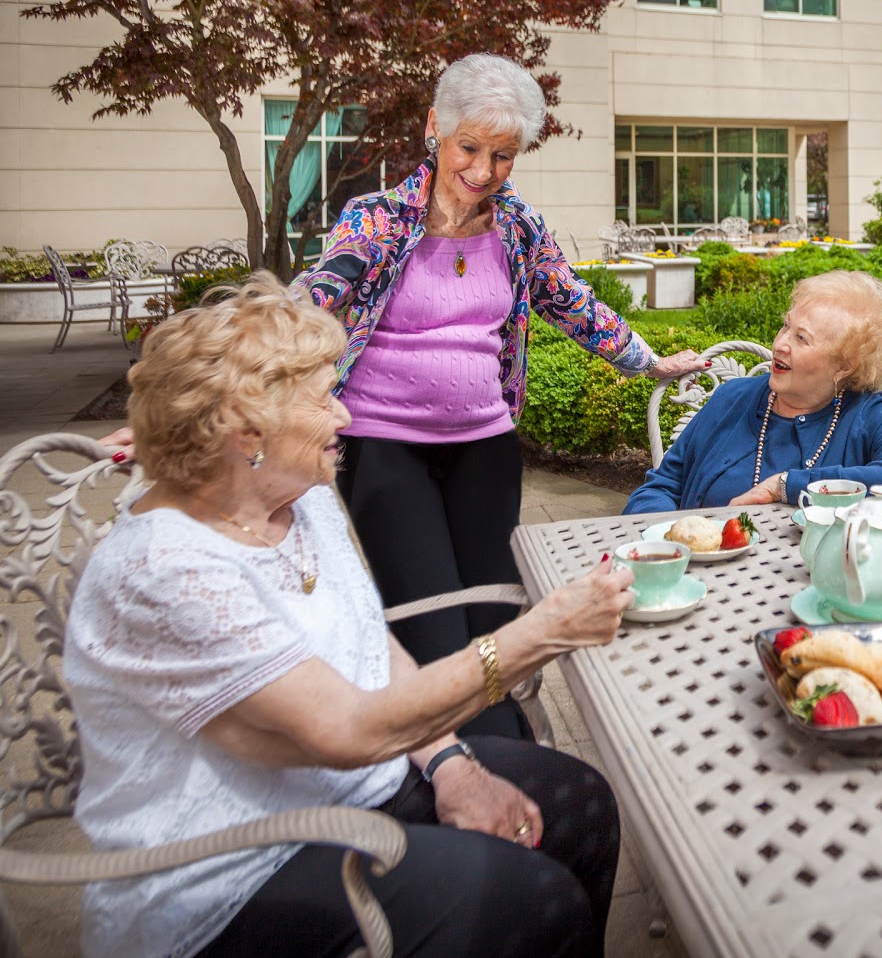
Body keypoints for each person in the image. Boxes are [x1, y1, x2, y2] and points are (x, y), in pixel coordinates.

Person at [66, 275, 634, 958]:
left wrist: (450, 761)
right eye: (324, 399)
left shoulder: (299, 493)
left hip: (357, 790)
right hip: (230, 872)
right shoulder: (165, 568)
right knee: (536, 900)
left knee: (583, 804)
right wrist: (537, 635)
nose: (345, 417)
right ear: (247, 431)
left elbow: (371, 644)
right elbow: (346, 729)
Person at [291, 53, 702, 741]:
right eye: (470, 148)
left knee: (494, 624)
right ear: (435, 130)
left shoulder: (517, 228)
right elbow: (306, 311)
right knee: (430, 624)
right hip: (385, 448)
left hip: (484, 446)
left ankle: (499, 757)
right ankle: (458, 763)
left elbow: (572, 303)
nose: (483, 171)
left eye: (503, 155)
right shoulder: (377, 221)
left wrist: (649, 361)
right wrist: (201, 404)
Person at [624, 269, 882, 512]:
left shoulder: (870, 414)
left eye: (802, 338)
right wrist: (665, 537)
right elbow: (662, 486)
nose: (780, 344)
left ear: (844, 366)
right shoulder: (732, 398)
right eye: (786, 326)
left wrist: (786, 485)